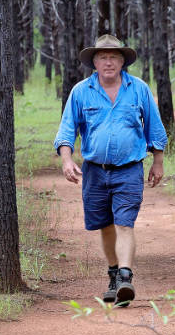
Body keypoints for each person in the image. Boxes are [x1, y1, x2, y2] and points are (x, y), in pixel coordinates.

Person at [54, 35, 168, 307]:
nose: (108, 62)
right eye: (103, 57)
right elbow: (67, 129)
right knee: (105, 226)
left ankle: (126, 277)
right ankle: (114, 276)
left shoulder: (138, 89)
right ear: (94, 62)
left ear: (122, 62)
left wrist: (158, 161)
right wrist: (67, 160)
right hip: (95, 171)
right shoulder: (81, 91)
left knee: (125, 223)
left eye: (114, 57)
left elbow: (154, 126)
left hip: (129, 169)